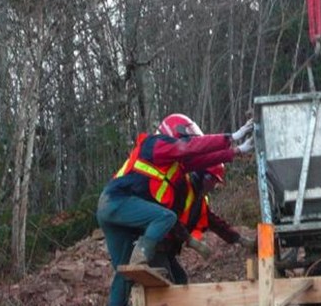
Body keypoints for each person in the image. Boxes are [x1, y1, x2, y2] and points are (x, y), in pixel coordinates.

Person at [97, 114, 254, 306]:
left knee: (124, 274)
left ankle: (134, 269)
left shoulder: (176, 167)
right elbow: (190, 147)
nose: (212, 185)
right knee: (166, 217)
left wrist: (237, 151)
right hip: (116, 202)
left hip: (115, 212)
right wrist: (231, 137)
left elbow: (202, 159)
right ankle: (141, 256)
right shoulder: (156, 145)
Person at [152, 163, 257, 284]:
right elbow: (169, 218)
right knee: (168, 285)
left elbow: (216, 224)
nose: (214, 186)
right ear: (205, 176)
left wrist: (240, 239)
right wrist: (190, 240)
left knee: (181, 282)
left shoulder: (199, 200)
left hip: (167, 250)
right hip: (155, 245)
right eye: (213, 181)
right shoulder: (182, 186)